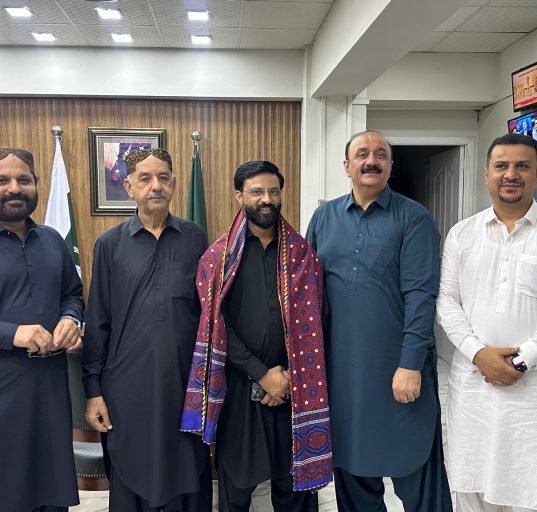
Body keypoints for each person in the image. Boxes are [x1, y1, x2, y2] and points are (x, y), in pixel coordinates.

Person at [306, 130, 452, 512]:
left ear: (389, 165)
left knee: (416, 467)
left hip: (397, 369)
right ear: (347, 166)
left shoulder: (413, 217)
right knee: (352, 470)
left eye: (380, 154)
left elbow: (421, 295)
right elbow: (308, 294)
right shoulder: (323, 217)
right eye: (362, 154)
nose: (371, 161)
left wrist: (410, 364)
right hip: (343, 374)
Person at [181, 160, 332, 511]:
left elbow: (318, 320)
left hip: (293, 393)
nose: (266, 199)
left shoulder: (303, 256)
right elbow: (215, 325)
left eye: (273, 191)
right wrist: (263, 375)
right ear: (240, 196)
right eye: (257, 192)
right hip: (240, 394)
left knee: (296, 496)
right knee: (236, 493)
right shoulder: (217, 259)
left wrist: (286, 378)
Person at [82, 148, 212, 512]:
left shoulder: (195, 238)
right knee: (131, 473)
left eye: (163, 178)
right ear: (129, 187)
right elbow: (98, 322)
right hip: (127, 390)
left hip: (185, 386)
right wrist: (93, 392)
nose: (156, 186)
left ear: (174, 184)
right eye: (145, 178)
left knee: (187, 470)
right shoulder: (109, 245)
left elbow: (209, 316)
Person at [437, 133, 537, 512]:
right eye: (501, 166)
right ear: (486, 175)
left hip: (530, 393)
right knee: (472, 489)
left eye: (522, 166)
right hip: (473, 387)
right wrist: (479, 354)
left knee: (527, 486)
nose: (510, 174)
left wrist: (523, 360)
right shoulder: (462, 234)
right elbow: (447, 300)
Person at [0, 147, 83, 512]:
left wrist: (69, 318)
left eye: (24, 179)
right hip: (5, 391)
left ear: (36, 185)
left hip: (50, 389)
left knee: (50, 491)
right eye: (3, 180)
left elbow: (73, 294)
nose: (14, 188)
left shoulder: (52, 240)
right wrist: (12, 333)